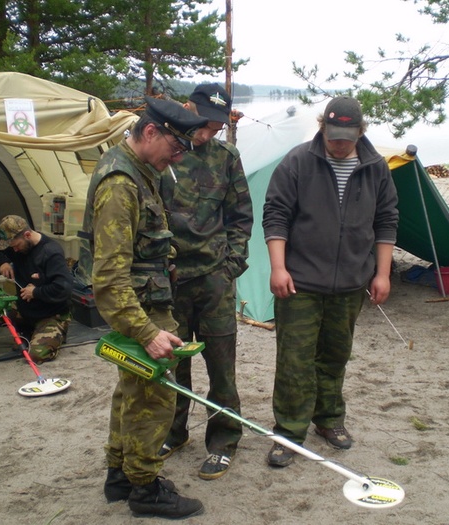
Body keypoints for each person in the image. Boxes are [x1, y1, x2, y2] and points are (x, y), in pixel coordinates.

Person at [79, 97, 208, 519]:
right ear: (150, 132)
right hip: (140, 311)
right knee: (154, 399)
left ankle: (120, 476)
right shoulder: (121, 183)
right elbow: (110, 277)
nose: (180, 154)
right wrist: (147, 332)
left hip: (146, 302)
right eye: (177, 145)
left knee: (131, 394)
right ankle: (146, 489)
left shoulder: (139, 171)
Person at [262, 96, 399, 467]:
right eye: (332, 134)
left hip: (351, 283)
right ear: (322, 127)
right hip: (300, 282)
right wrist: (278, 267)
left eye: (346, 136)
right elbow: (275, 215)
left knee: (336, 355)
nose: (338, 143)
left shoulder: (375, 167)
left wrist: (382, 273)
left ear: (360, 131)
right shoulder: (297, 161)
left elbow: (386, 221)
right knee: (295, 359)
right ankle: (289, 432)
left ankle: (328, 419)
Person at [157, 84, 253, 480]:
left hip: (214, 280)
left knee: (220, 366)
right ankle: (174, 432)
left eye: (215, 126)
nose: (206, 132)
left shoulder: (226, 157)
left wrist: (230, 266)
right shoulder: (165, 154)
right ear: (186, 109)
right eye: (203, 123)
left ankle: (224, 440)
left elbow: (241, 218)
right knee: (172, 364)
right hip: (171, 281)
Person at [0, 215, 73, 364]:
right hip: (24, 309)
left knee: (36, 356)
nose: (14, 251)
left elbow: (63, 288)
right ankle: (26, 329)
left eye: (16, 246)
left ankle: (55, 333)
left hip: (50, 313)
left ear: (27, 235)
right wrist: (2, 263)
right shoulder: (17, 247)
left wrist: (35, 292)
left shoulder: (50, 252)